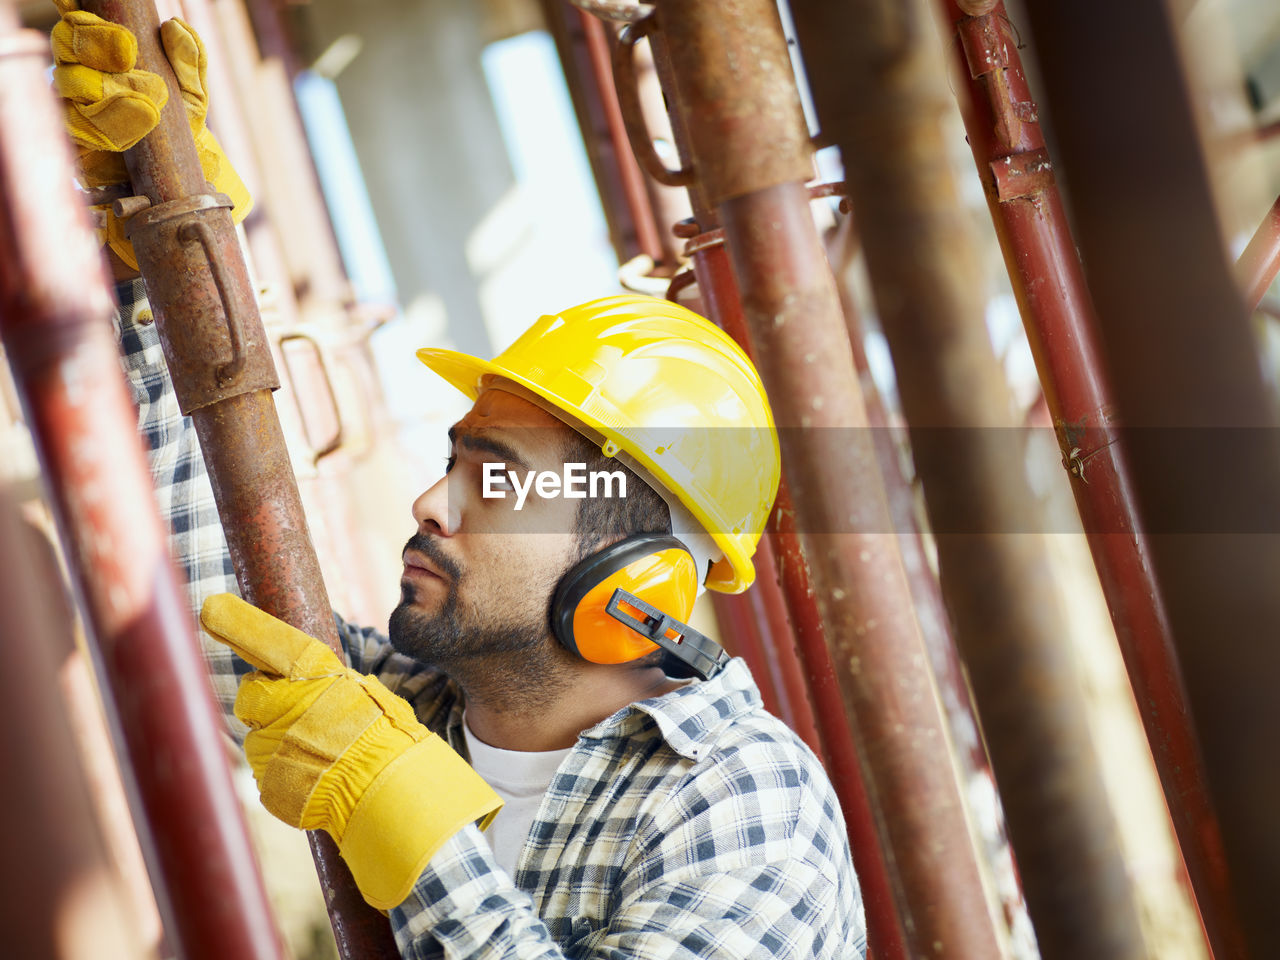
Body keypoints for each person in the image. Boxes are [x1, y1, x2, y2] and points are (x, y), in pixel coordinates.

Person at [53, 7, 866, 958]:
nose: (430, 504)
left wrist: (410, 824)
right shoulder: (414, 711)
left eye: (498, 480)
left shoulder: (740, 798)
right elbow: (214, 628)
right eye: (453, 463)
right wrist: (156, 268)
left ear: (635, 575)